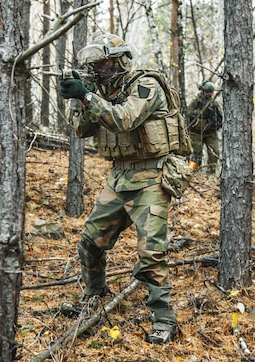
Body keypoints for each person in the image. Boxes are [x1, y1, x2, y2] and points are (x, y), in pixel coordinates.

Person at [58, 33, 178, 344]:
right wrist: (79, 98)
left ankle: (164, 318)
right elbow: (83, 130)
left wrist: (87, 96)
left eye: (103, 63)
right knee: (89, 243)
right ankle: (95, 294)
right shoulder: (101, 90)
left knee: (151, 251)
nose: (98, 69)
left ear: (121, 59)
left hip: (151, 177)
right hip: (120, 177)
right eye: (94, 65)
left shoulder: (146, 84)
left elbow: (125, 119)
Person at [185, 81, 222, 175]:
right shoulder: (196, 101)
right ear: (202, 91)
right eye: (207, 92)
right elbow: (189, 112)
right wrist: (201, 113)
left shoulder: (214, 104)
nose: (209, 94)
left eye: (211, 92)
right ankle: (191, 173)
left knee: (215, 153)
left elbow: (220, 118)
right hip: (196, 132)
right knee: (196, 155)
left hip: (210, 132)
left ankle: (211, 174)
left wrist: (215, 119)